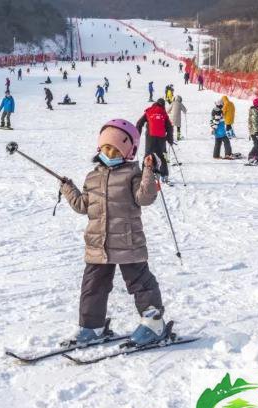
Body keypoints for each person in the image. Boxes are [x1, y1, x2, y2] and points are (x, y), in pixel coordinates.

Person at [59, 119, 168, 347]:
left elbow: (145, 198)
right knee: (93, 286)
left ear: (129, 151)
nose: (110, 152)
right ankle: (92, 327)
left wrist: (149, 170)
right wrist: (68, 188)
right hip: (98, 244)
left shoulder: (132, 174)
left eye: (116, 149)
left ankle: (154, 325)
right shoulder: (93, 177)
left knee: (140, 283)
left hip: (128, 242)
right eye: (106, 148)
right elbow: (82, 205)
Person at [136, 98, 173, 184]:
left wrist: (137, 135)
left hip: (150, 137)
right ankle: (164, 175)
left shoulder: (149, 111)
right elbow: (169, 127)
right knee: (162, 156)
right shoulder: (163, 113)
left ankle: (143, 175)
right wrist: (169, 139)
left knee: (147, 155)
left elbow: (139, 123)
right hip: (161, 138)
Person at [247, 97, 258, 165]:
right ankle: (251, 157)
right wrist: (256, 132)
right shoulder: (254, 111)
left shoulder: (257, 110)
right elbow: (254, 122)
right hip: (254, 132)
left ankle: (257, 156)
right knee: (257, 145)